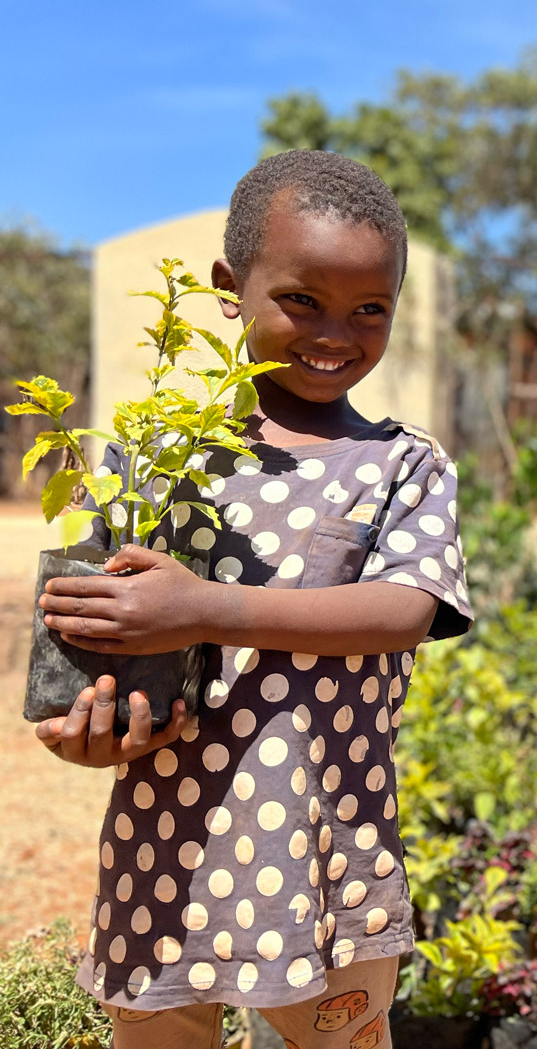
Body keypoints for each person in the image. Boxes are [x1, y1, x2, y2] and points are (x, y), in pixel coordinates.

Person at [34, 149, 471, 1049]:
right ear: (230, 287)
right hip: (168, 843)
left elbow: (404, 611)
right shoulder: (152, 460)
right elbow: (85, 637)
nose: (335, 333)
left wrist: (206, 609)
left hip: (328, 851)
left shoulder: (402, 465)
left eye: (370, 310)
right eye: (302, 300)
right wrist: (83, 732)